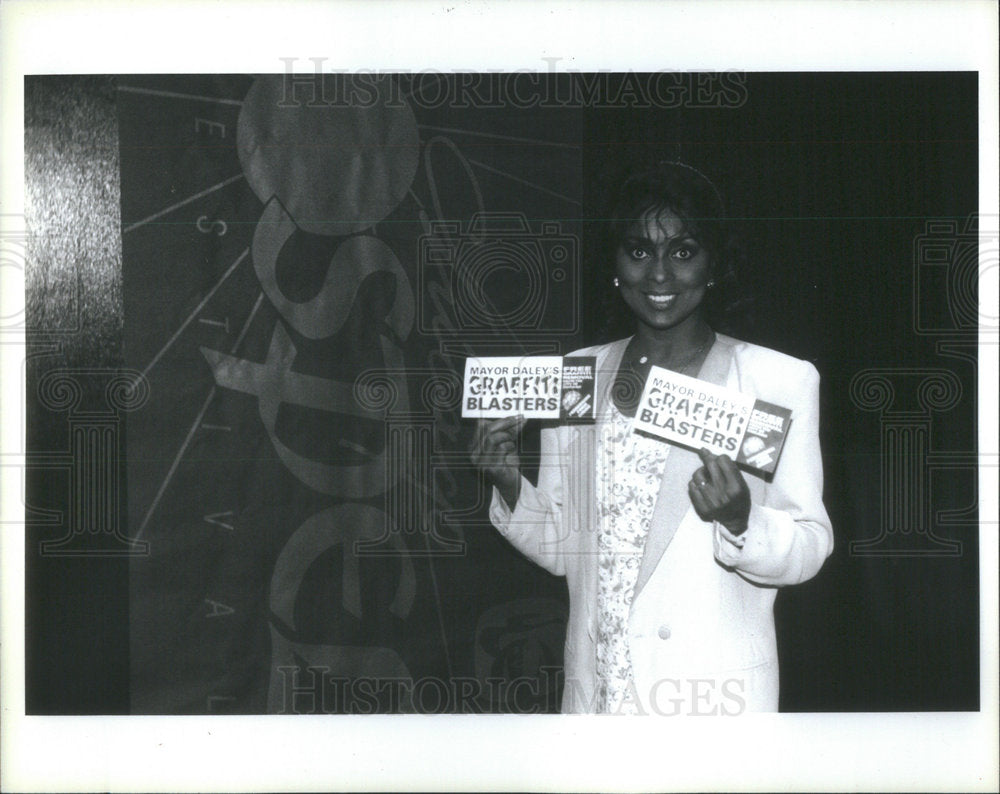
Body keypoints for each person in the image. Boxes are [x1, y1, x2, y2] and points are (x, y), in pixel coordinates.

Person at [470, 161, 833, 715]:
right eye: (638, 251)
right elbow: (566, 550)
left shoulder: (778, 381)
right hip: (597, 702)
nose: (659, 275)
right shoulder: (581, 376)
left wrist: (742, 522)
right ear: (615, 264)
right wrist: (507, 480)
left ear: (714, 264)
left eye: (683, 252)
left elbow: (811, 544)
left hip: (712, 708)